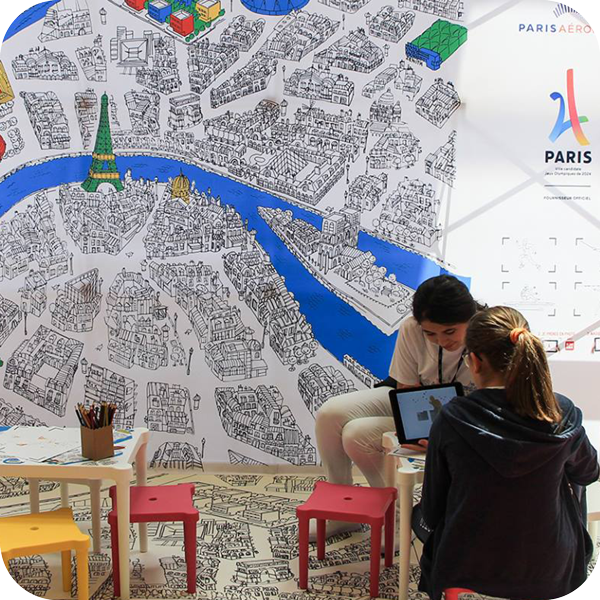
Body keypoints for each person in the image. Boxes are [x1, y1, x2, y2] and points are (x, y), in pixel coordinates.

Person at [414, 306, 599, 600]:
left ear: (475, 361)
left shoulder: (452, 418)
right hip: (551, 565)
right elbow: (588, 473)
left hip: (468, 562)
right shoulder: (561, 412)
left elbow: (433, 510)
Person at [313, 275, 482, 537]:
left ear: (470, 318)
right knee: (329, 414)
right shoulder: (411, 328)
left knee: (356, 435)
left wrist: (440, 435)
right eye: (430, 333)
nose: (441, 340)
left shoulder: (488, 333)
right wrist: (418, 431)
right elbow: (407, 393)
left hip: (464, 419)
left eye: (450, 331)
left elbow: (493, 404)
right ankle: (341, 511)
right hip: (419, 406)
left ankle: (398, 519)